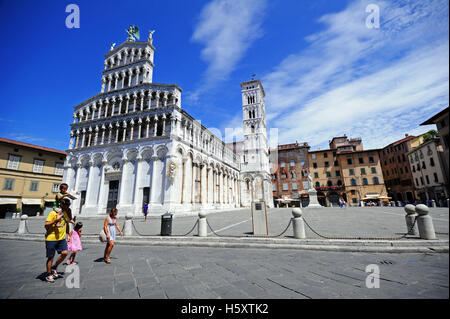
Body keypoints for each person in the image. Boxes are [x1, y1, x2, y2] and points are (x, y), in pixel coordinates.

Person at [44, 198, 71, 283]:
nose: (68, 207)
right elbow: (46, 225)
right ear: (61, 205)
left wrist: (68, 234)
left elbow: (67, 224)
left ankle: (54, 267)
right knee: (51, 257)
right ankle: (48, 275)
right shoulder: (53, 213)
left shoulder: (65, 214)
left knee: (65, 253)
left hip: (61, 238)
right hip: (51, 238)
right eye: (66, 205)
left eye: (69, 205)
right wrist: (55, 220)